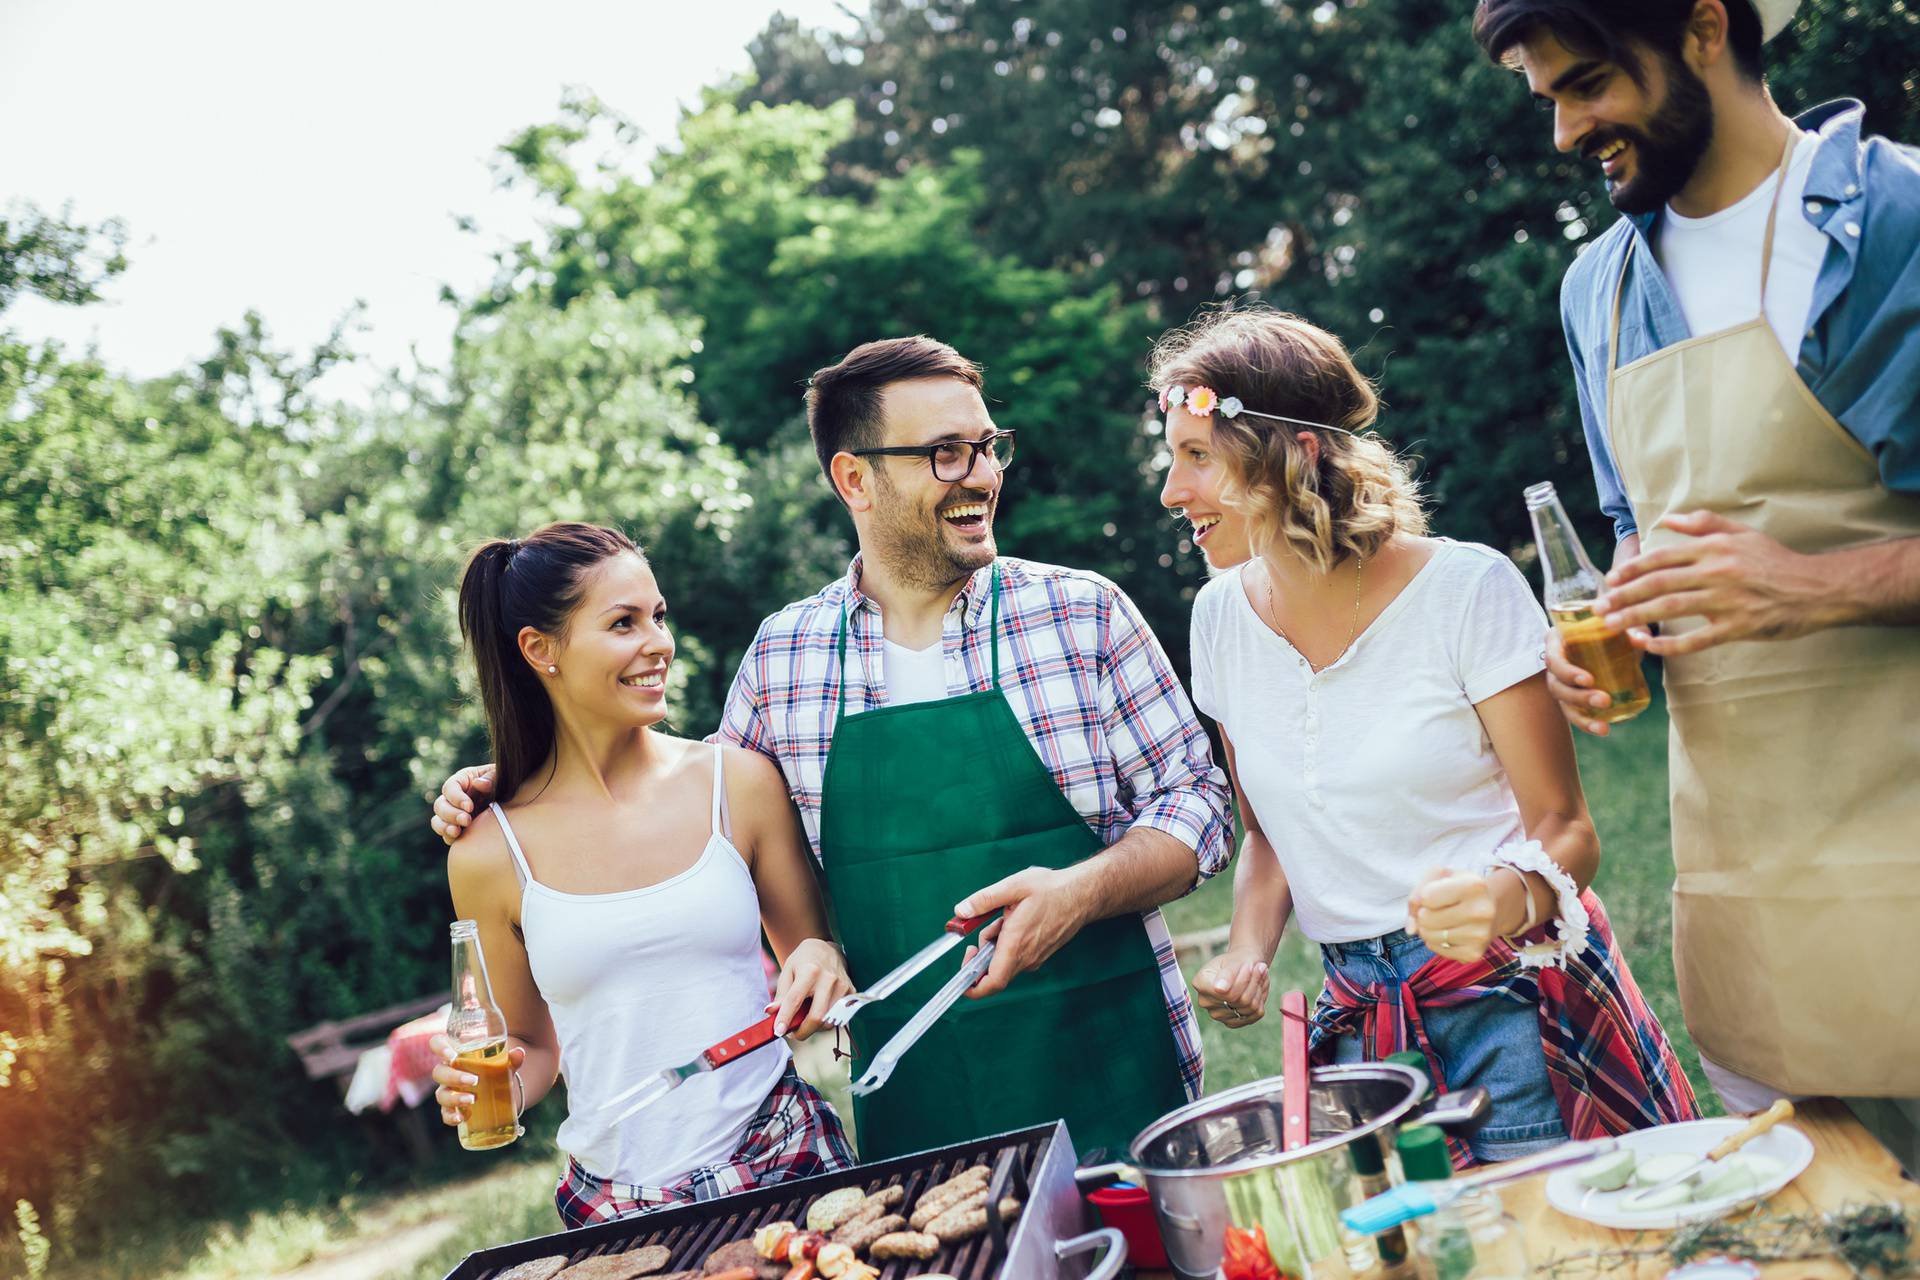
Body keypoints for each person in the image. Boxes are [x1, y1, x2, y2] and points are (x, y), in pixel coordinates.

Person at [432, 338, 1234, 1161]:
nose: (984, 475)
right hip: (923, 1121)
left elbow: (1202, 805)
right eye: (945, 454)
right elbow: (681, 813)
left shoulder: (1082, 614)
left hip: (1121, 1081)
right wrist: (525, 786)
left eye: (988, 448)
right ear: (855, 479)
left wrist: (1083, 891)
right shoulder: (786, 661)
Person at [1473, 0, 1920, 1167]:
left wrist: (1813, 585)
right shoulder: (1598, 293)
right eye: (1551, 98)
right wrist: (1615, 619)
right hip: (1758, 888)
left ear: (1708, 28)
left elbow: (1773, 569)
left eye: (1591, 84)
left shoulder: (1896, 221)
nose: (1569, 128)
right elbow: (1640, 531)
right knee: (1833, 1229)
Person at [1158, 308, 1697, 1164]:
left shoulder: (1466, 590)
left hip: (1513, 1002)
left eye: (1197, 457)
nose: (1171, 491)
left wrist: (1501, 899)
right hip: (1365, 1038)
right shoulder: (1218, 617)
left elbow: (1567, 831)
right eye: (1171, 458)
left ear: (1295, 453)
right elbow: (1266, 836)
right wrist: (1249, 950)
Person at [429, 522, 853, 1228]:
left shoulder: (737, 784)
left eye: (658, 616)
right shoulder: (485, 851)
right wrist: (499, 1082)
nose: (658, 643)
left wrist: (820, 961)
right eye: (623, 623)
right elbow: (533, 1047)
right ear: (541, 650)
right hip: (621, 1209)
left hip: (788, 1159)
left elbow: (817, 961)